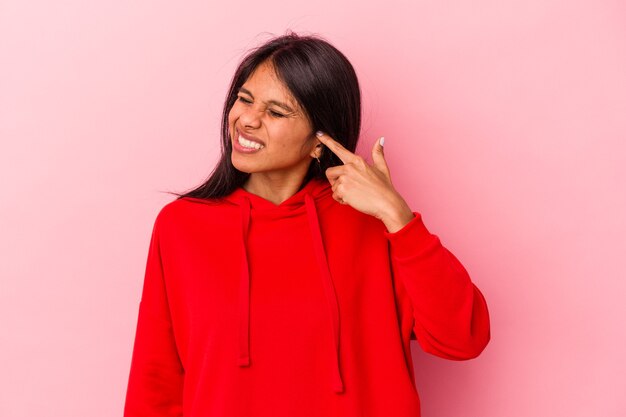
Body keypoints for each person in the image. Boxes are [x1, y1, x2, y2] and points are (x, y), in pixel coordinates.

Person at [123, 31, 490, 417]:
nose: (246, 120)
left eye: (276, 112)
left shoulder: (372, 222)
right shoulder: (182, 226)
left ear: (320, 141)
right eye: (244, 100)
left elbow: (462, 339)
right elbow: (156, 380)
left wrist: (398, 218)